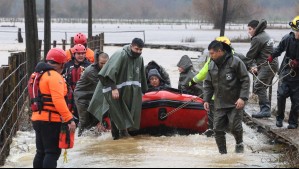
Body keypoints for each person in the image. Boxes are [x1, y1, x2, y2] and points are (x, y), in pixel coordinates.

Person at [30, 48, 76, 168]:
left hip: (37, 119)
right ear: (62, 64)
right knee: (52, 153)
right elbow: (58, 100)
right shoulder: (54, 76)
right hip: (50, 120)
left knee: (40, 152)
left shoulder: (36, 74)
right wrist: (69, 119)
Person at [203, 40, 250, 154]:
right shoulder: (211, 65)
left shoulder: (235, 62)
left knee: (234, 126)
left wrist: (242, 98)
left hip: (235, 102)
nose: (211, 56)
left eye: (212, 53)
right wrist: (206, 100)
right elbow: (208, 84)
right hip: (219, 103)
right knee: (217, 129)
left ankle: (239, 143)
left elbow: (245, 80)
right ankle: (223, 154)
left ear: (219, 51)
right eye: (209, 53)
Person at [96, 38, 148, 140]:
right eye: (136, 49)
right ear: (131, 46)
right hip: (115, 90)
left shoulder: (140, 59)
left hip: (130, 92)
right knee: (118, 113)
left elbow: (141, 75)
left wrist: (144, 90)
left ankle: (116, 138)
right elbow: (109, 72)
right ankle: (123, 138)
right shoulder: (120, 54)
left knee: (127, 113)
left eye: (140, 50)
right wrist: (114, 88)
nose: (138, 52)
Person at [268, 16, 299, 129]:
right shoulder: (287, 38)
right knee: (281, 95)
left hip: (298, 77)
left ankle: (293, 122)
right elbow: (279, 49)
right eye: (297, 31)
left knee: (296, 101)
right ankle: (279, 118)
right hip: (286, 72)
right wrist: (272, 56)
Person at [246, 19, 279, 118]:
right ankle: (265, 108)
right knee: (262, 87)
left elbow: (249, 56)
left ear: (256, 28)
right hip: (273, 64)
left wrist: (247, 66)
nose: (248, 31)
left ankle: (265, 110)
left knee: (259, 85)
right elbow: (260, 53)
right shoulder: (265, 35)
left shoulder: (257, 39)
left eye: (250, 29)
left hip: (267, 65)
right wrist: (254, 66)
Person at [74, 50, 109, 136]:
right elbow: (103, 86)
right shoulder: (91, 71)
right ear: (97, 62)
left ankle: (93, 138)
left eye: (106, 64)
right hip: (82, 96)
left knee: (95, 119)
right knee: (84, 120)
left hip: (93, 95)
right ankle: (80, 138)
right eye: (102, 63)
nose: (104, 66)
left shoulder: (108, 68)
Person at [64, 44, 91, 125]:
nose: (81, 55)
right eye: (78, 54)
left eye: (83, 53)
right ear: (74, 54)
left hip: (83, 95)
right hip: (70, 95)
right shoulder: (67, 65)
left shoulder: (89, 66)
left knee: (83, 116)